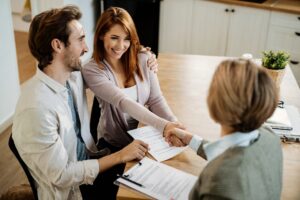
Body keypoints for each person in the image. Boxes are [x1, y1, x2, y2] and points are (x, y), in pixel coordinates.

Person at [12, 5, 149, 200]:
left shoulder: (72, 76)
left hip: (92, 162)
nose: (86, 48)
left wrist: (142, 54)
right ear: (58, 45)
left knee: (146, 174)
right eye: (81, 39)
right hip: (76, 190)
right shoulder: (36, 109)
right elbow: (62, 175)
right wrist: (120, 156)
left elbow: (105, 67)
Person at [82, 7, 184, 199]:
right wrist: (166, 126)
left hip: (148, 139)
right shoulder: (92, 70)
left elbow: (155, 99)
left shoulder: (144, 57)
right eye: (114, 37)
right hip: (114, 146)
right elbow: (123, 102)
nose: (121, 45)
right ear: (101, 35)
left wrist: (174, 124)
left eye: (126, 38)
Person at [167, 59, 283, 199]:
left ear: (215, 106)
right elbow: (232, 152)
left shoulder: (221, 182)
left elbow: (229, 166)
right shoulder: (270, 137)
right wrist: (190, 139)